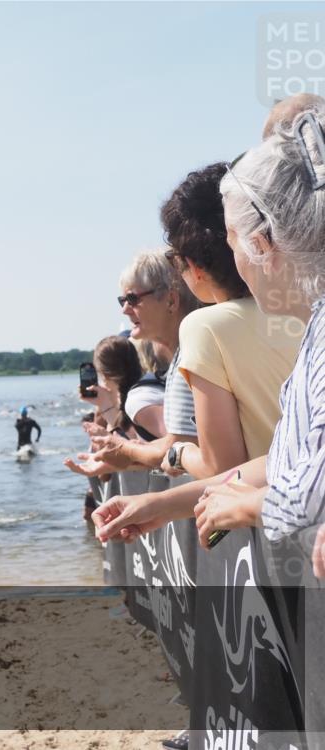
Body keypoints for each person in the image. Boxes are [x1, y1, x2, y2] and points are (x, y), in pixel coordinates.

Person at [92, 108, 325, 579]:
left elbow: (307, 497)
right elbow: (284, 465)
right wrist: (163, 503)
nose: (232, 257)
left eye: (235, 240)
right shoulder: (312, 329)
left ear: (264, 244)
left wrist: (248, 507)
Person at [159, 162, 300, 480]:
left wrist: (180, 452)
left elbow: (221, 468)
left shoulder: (205, 327)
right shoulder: (305, 309)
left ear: (193, 265)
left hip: (271, 521)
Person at [67, 251, 201, 477]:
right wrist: (124, 457)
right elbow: (183, 452)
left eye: (132, 299)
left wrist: (123, 449)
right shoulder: (184, 355)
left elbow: (181, 447)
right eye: (122, 300)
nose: (124, 309)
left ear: (171, 300)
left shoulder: (193, 355)